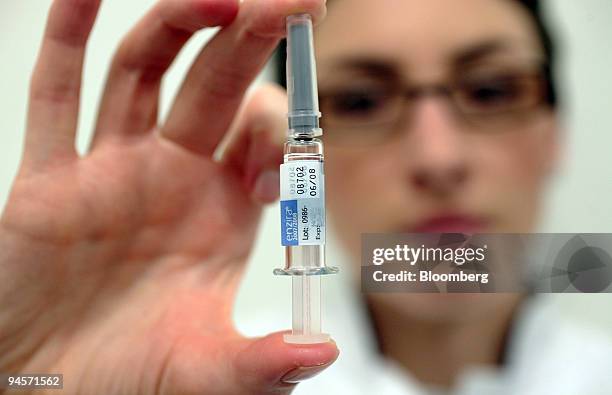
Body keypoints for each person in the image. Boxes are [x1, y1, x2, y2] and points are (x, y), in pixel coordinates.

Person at [0, 1, 611, 395]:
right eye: (362, 102)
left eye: (491, 89)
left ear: (555, 132)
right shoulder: (197, 377)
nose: (437, 159)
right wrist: (27, 376)